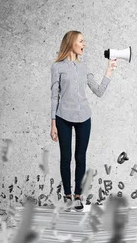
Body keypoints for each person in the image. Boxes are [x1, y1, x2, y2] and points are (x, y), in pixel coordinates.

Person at [50, 30, 117, 211]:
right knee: (66, 158)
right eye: (81, 41)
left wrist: (109, 71)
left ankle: (78, 196)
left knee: (80, 157)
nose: (84, 44)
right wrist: (53, 122)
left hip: (84, 117)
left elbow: (98, 91)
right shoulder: (57, 67)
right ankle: (67, 196)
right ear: (71, 42)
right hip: (63, 117)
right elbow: (54, 97)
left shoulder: (84, 67)